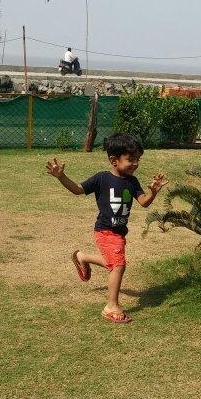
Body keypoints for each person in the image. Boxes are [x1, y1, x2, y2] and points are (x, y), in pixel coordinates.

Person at [46, 133, 167, 324]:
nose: (135, 163)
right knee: (118, 265)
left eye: (138, 159)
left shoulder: (132, 181)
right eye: (130, 159)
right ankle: (111, 306)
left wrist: (152, 192)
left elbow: (144, 202)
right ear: (114, 160)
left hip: (119, 232)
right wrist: (61, 177)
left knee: (113, 263)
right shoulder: (101, 178)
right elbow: (78, 189)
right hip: (105, 230)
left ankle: (82, 257)